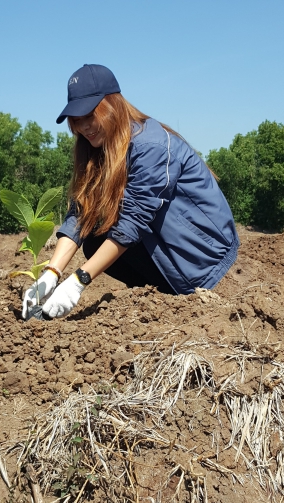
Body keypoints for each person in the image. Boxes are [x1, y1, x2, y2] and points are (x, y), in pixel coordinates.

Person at [24, 64, 239, 319]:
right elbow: (80, 213)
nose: (84, 127)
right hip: (162, 246)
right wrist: (51, 274)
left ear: (112, 104)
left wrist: (79, 281)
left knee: (108, 239)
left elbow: (133, 221)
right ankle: (161, 296)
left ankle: (175, 294)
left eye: (90, 115)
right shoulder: (97, 150)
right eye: (77, 120)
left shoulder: (150, 145)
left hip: (203, 257)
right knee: (95, 241)